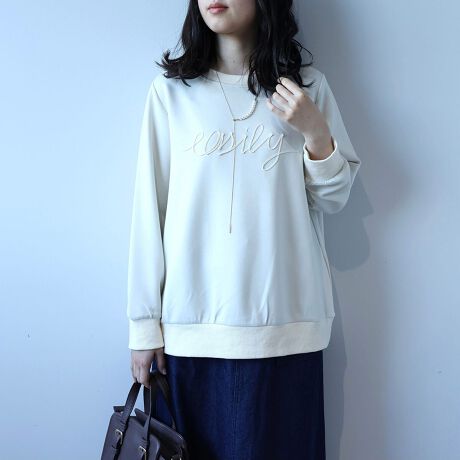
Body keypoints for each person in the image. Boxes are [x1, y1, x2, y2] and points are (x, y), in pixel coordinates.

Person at [128, 0, 361, 458]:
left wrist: (315, 132)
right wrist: (143, 326)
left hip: (288, 329)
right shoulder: (171, 93)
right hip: (191, 333)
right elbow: (148, 211)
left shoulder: (307, 89)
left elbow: (335, 198)